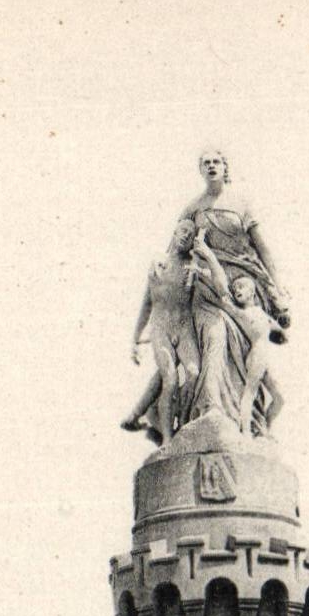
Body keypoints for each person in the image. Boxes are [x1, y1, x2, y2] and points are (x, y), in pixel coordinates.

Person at [180, 151, 291, 435]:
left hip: (243, 285)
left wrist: (277, 288)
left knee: (245, 352)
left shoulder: (241, 203)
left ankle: (247, 423)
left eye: (216, 161)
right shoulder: (193, 208)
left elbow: (262, 248)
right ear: (200, 170)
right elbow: (177, 250)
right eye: (205, 162)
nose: (211, 166)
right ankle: (210, 408)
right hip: (208, 286)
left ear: (225, 167)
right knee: (215, 337)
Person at [193, 230, 285, 434]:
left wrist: (281, 328)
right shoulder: (240, 313)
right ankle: (246, 433)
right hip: (255, 356)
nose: (237, 291)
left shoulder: (260, 312)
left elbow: (278, 330)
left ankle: (264, 430)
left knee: (279, 398)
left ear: (252, 292)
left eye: (241, 288)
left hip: (264, 356)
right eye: (235, 290)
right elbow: (223, 302)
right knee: (249, 394)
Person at [121, 219, 202, 446]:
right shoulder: (159, 263)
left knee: (194, 373)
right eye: (182, 230)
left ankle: (183, 422)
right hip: (161, 328)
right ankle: (167, 437)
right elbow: (146, 304)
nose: (185, 235)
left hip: (184, 328)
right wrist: (136, 339)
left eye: (190, 233)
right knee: (170, 377)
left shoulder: (192, 267)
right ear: (174, 232)